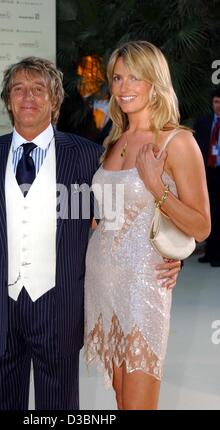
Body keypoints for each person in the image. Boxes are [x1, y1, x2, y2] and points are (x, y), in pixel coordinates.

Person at [0, 56, 180, 411]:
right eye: (18, 89)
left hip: (59, 307)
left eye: (38, 89)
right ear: (8, 101)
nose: (28, 97)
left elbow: (127, 218)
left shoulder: (88, 156)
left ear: (54, 101)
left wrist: (171, 253)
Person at [84, 41, 211, 410]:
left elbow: (202, 226)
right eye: (118, 78)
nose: (123, 88)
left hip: (143, 286)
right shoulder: (112, 140)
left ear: (155, 82)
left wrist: (157, 187)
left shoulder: (178, 141)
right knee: (122, 399)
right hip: (101, 281)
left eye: (134, 77)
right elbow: (108, 216)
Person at [194, 87, 220, 267]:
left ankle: (218, 254)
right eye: (216, 102)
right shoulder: (203, 122)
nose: (218, 106)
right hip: (207, 173)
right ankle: (210, 252)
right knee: (208, 212)